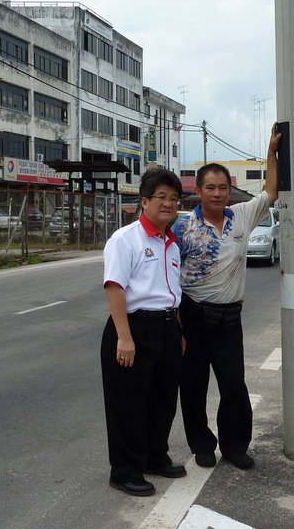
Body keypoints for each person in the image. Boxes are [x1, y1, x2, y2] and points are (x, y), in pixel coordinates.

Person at [173, 124, 281, 470]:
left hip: (229, 320)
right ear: (199, 192)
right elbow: (166, 274)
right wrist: (175, 319)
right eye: (210, 188)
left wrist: (271, 151)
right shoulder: (182, 227)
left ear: (229, 190)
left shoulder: (243, 216)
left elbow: (271, 192)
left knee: (234, 385)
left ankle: (235, 446)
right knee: (192, 386)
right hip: (192, 318)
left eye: (222, 187)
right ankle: (201, 444)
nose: (217, 194)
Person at [100, 168, 186, 497]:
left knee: (162, 399)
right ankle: (124, 471)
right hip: (132, 328)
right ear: (145, 201)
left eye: (174, 198)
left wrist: (176, 328)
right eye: (161, 197)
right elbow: (115, 288)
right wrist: (124, 337)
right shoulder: (126, 239)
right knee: (128, 403)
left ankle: (154, 457)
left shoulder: (171, 243)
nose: (168, 203)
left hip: (166, 327)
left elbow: (170, 289)